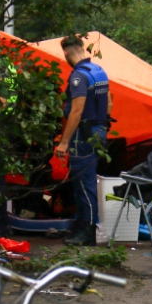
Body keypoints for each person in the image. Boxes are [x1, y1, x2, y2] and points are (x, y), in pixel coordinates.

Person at [54, 35, 111, 246]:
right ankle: (79, 227)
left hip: (82, 135)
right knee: (83, 182)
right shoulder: (98, 71)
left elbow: (76, 112)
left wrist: (64, 142)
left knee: (84, 184)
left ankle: (87, 232)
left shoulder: (78, 76)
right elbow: (109, 103)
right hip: (98, 131)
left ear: (67, 54)